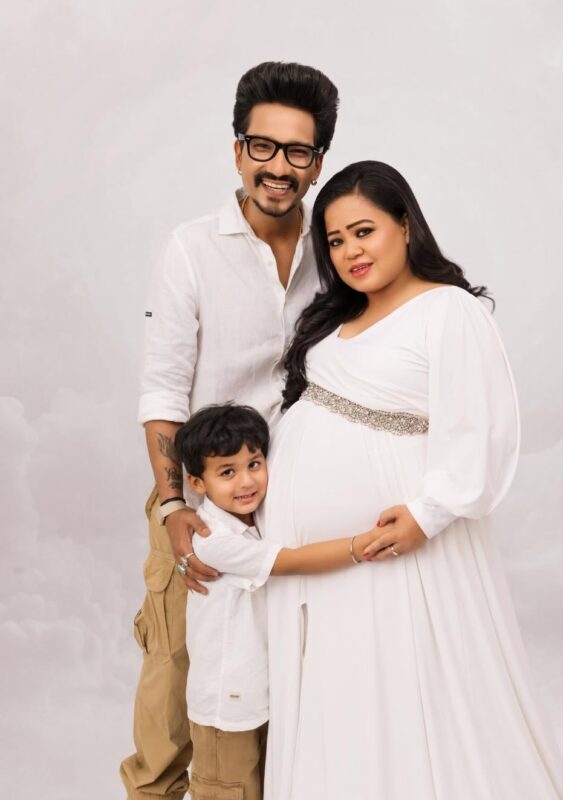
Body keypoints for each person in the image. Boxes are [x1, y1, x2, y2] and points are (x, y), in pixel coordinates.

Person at [259, 161, 563, 799]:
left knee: (404, 687)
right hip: (317, 565)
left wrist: (429, 514)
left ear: (405, 224)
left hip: (393, 546)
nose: (350, 252)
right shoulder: (336, 318)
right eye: (335, 241)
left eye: (364, 231)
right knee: (338, 697)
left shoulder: (448, 310)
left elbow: (481, 426)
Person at [120, 62, 339, 800]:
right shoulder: (190, 247)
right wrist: (172, 505)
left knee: (276, 682)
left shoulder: (334, 251)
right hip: (196, 497)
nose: (278, 166)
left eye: (297, 151)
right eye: (262, 146)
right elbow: (162, 386)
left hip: (289, 495)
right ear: (237, 149)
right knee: (175, 671)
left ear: (318, 163)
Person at [174, 403, 380, 800]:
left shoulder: (258, 521)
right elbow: (293, 561)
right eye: (227, 472)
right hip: (226, 707)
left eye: (254, 464)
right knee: (226, 791)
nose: (246, 481)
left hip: (259, 696)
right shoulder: (213, 539)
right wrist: (362, 545)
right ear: (197, 483)